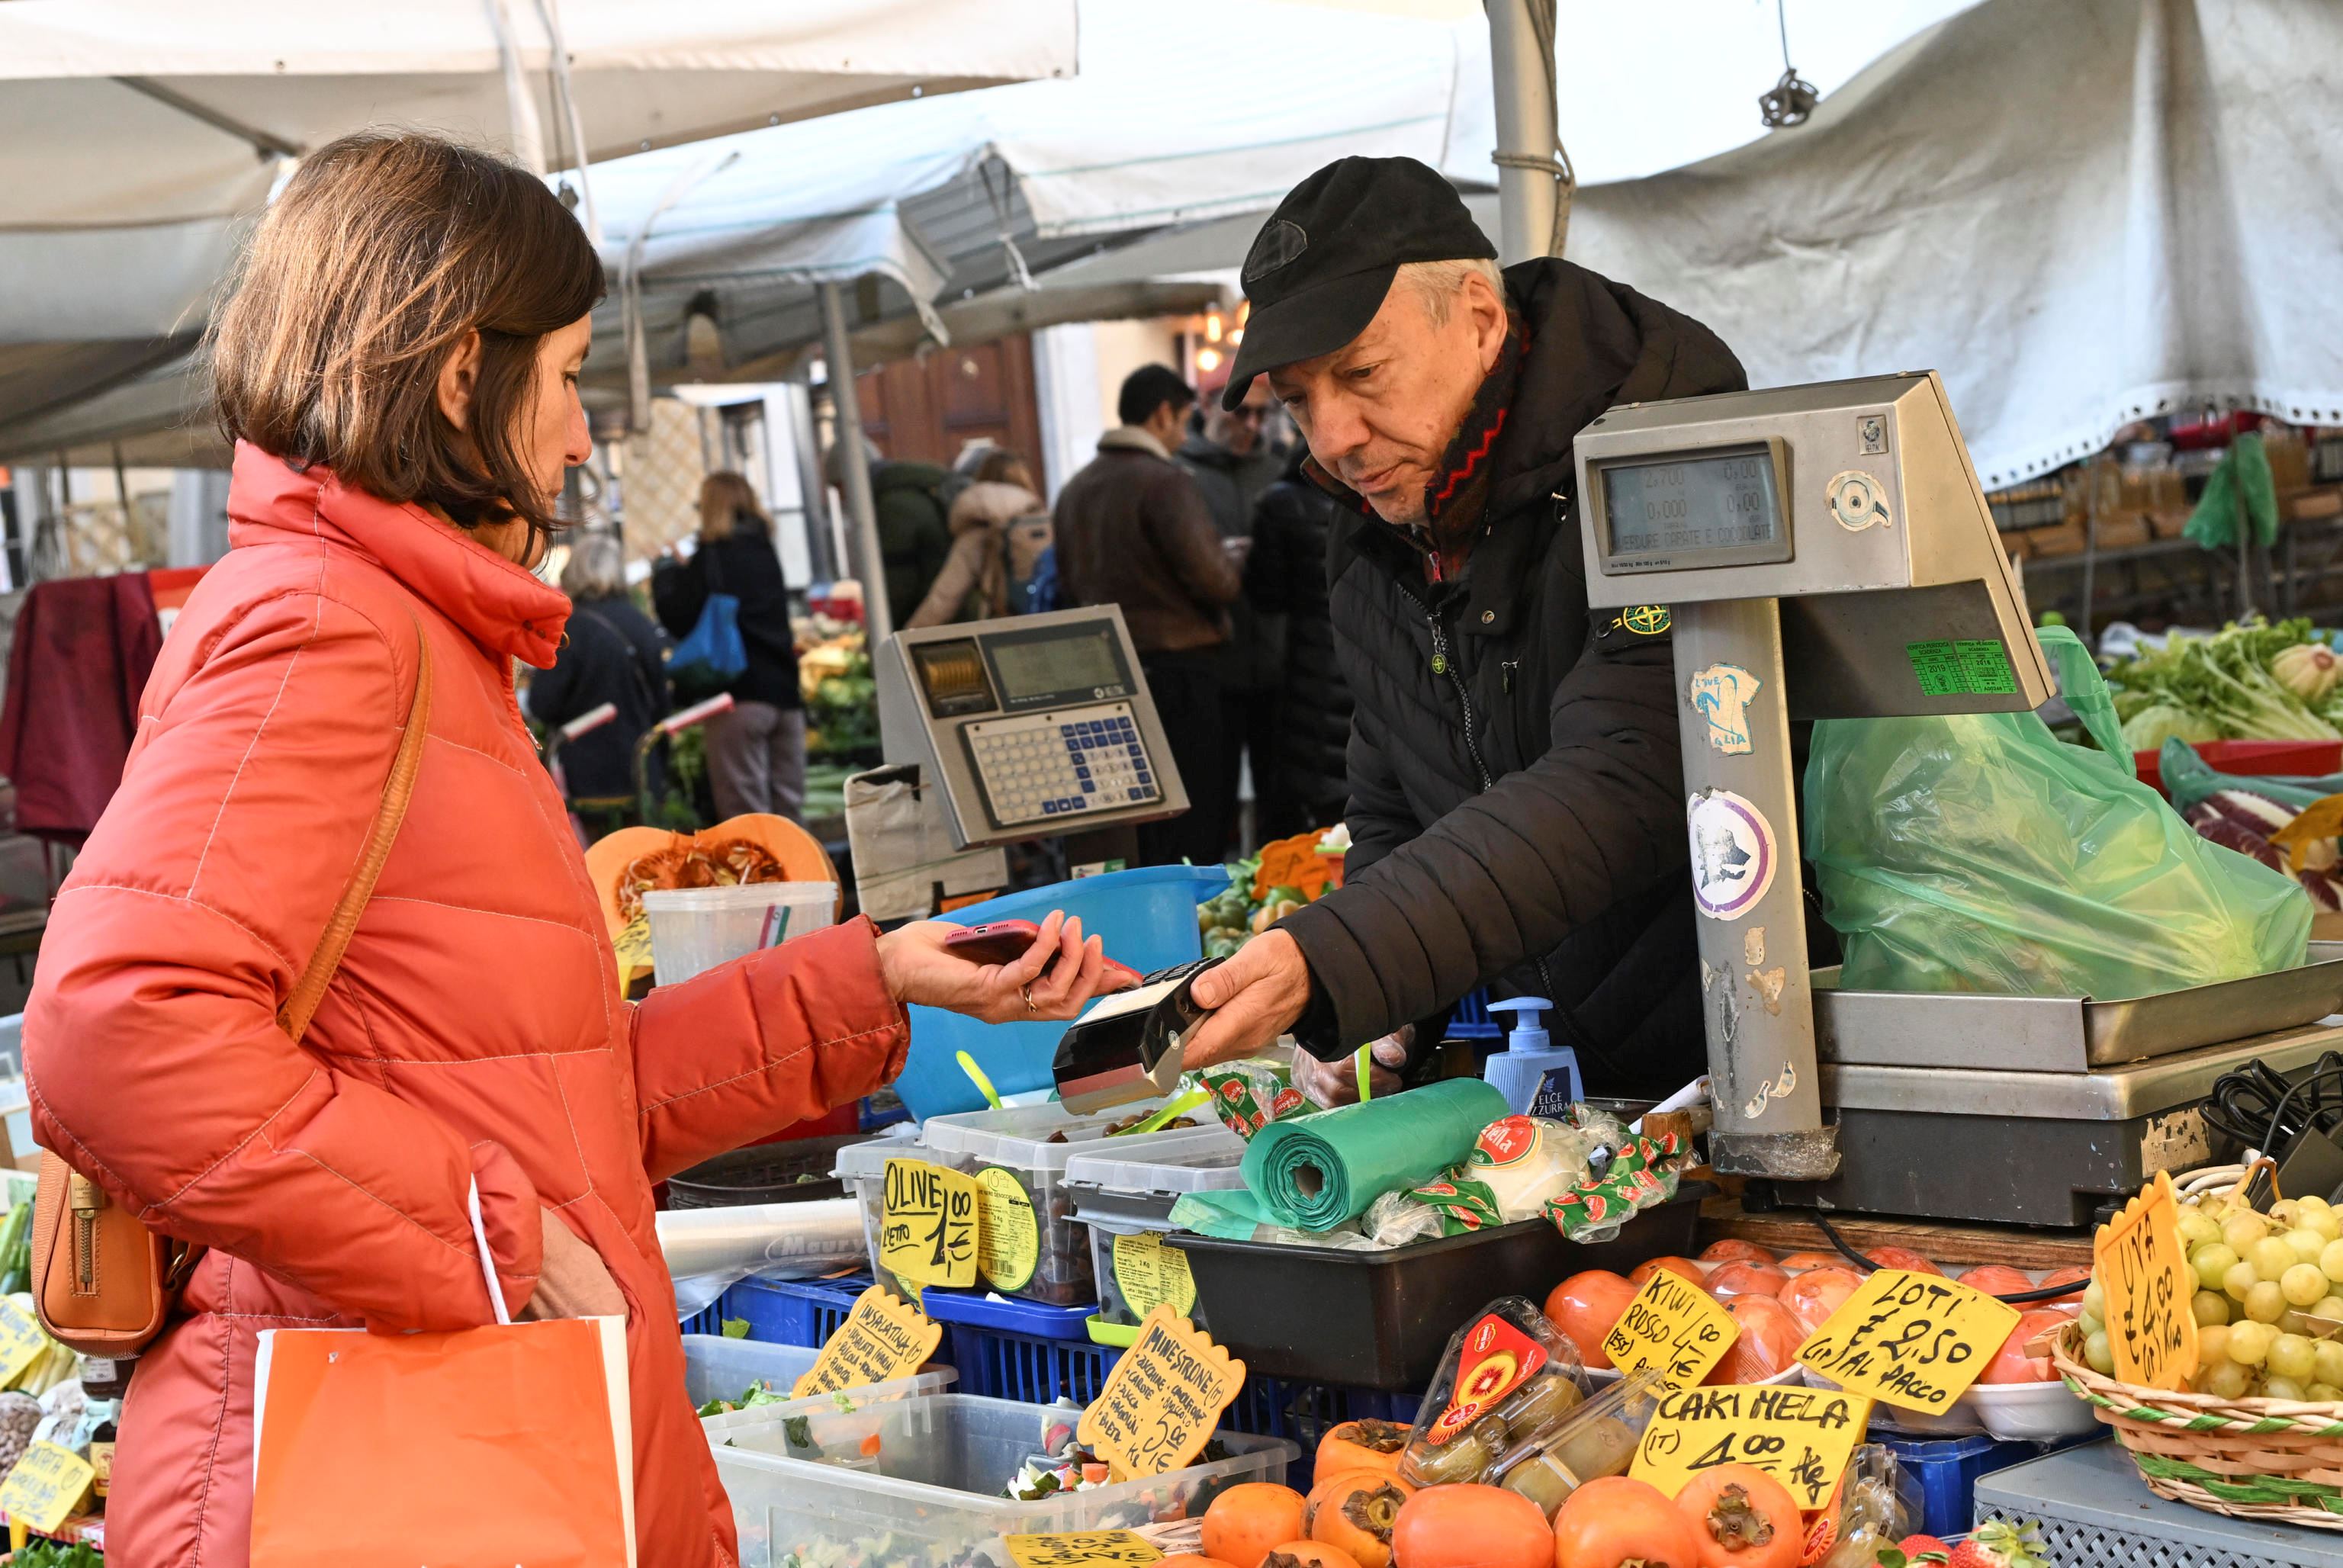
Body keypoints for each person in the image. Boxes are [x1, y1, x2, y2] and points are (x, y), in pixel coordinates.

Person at [19, 130, 1125, 1568]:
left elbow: (551, 1100)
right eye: (564, 379)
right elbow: (116, 1032)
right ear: (457, 374)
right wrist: (495, 1240)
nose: (583, 434)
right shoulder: (329, 630)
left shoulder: (414, 639)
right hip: (369, 1467)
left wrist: (874, 981)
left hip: (460, 1446)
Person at [1179, 155, 1747, 1107]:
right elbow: (1394, 790)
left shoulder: (1668, 451)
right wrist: (1393, 1002)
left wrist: (1346, 953)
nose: (1332, 438)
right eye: (1298, 400)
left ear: (1481, 319)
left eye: (1361, 374)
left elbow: (1634, 769)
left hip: (1749, 1059)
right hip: (1569, 1100)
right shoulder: (1377, 524)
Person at [1054, 365, 1243, 866]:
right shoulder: (1164, 483)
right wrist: (1234, 558)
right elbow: (1217, 581)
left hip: (1107, 675)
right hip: (1181, 675)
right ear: (1161, 415)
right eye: (1183, 420)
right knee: (1195, 822)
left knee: (1141, 828)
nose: (1185, 435)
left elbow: (1068, 584)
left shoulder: (1075, 490)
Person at [654, 473, 808, 821]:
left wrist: (667, 572)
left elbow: (678, 614)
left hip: (738, 698)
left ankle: (764, 879)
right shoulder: (764, 548)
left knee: (747, 818)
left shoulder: (713, 555)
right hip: (786, 695)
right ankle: (802, 873)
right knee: (789, 814)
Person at [1178, 379, 1288, 853]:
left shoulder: (1279, 470)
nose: (1253, 425)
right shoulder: (1179, 476)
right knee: (1210, 806)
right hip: (1211, 666)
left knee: (1279, 804)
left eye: (1262, 414)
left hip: (1279, 664)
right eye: (1242, 413)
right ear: (1206, 405)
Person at [1242, 443, 1356, 837]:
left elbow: (1266, 595)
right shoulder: (1375, 494)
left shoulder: (1282, 503)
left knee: (1309, 809)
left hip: (1309, 669)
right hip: (1367, 659)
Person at [527, 529, 670, 808]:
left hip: (587, 778)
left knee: (597, 853)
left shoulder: (570, 630)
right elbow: (660, 702)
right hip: (641, 769)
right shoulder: (640, 623)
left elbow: (541, 704)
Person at [903, 448, 1054, 627]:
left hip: (1006, 629)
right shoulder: (1049, 524)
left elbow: (943, 598)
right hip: (1054, 624)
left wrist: (909, 635)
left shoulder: (978, 534)